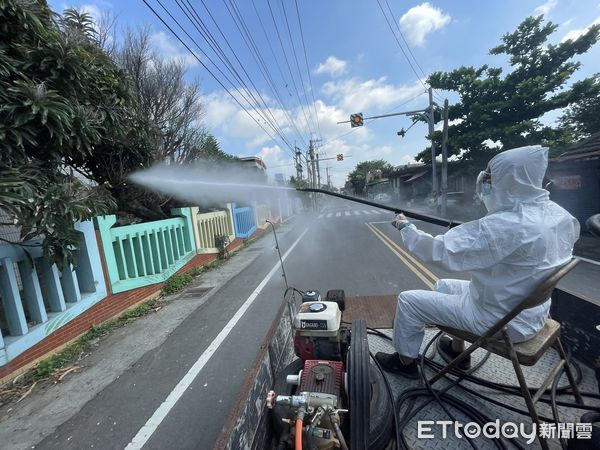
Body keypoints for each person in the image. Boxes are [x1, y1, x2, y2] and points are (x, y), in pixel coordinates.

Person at [375, 145, 580, 378]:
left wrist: (406, 227)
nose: (487, 182)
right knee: (443, 285)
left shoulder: (504, 225)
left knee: (409, 301)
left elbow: (439, 250)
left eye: (493, 177)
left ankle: (405, 363)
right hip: (531, 312)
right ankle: (456, 350)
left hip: (500, 321)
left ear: (510, 180)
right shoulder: (559, 215)